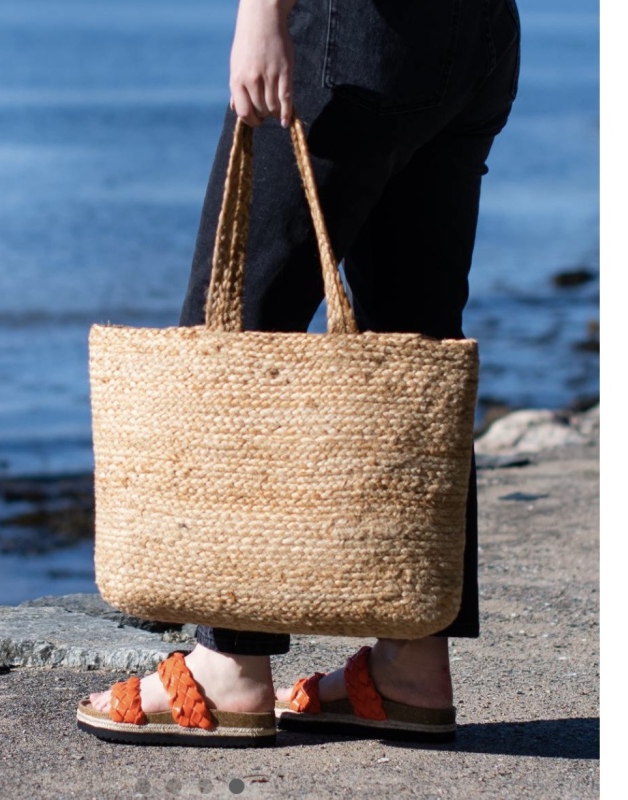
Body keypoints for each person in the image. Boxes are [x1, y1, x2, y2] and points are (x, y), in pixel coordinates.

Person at [77, 0, 520, 746]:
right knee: (411, 361)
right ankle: (410, 663)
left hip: (350, 32)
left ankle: (229, 667)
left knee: (235, 334)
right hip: (478, 35)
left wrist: (262, 13)